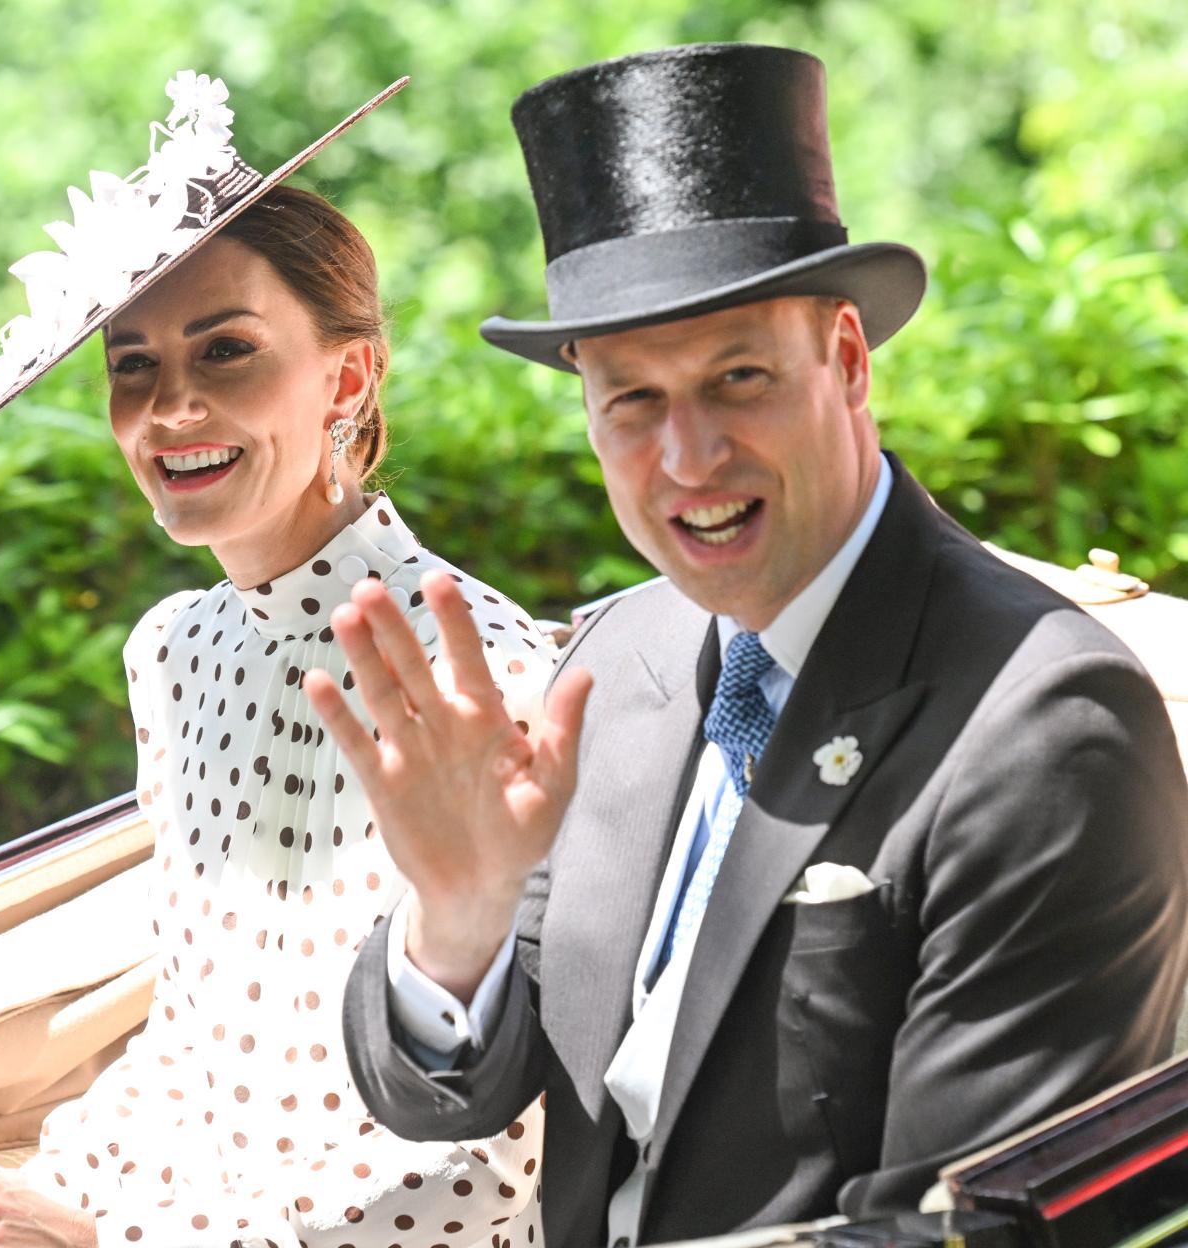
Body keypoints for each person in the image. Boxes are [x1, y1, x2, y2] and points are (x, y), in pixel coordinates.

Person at [319, 43, 1188, 1246]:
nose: (688, 460)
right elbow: (441, 1091)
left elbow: (967, 1232)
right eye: (633, 400)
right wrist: (455, 918)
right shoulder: (616, 659)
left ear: (844, 360)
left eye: (737, 379)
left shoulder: (1046, 727)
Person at [0, 73, 547, 1247]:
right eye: (132, 365)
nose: (171, 409)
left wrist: (99, 1241)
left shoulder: (477, 679)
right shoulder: (175, 650)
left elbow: (476, 1165)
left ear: (349, 377)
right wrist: (24, 1192)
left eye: (226, 352)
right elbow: (195, 1043)